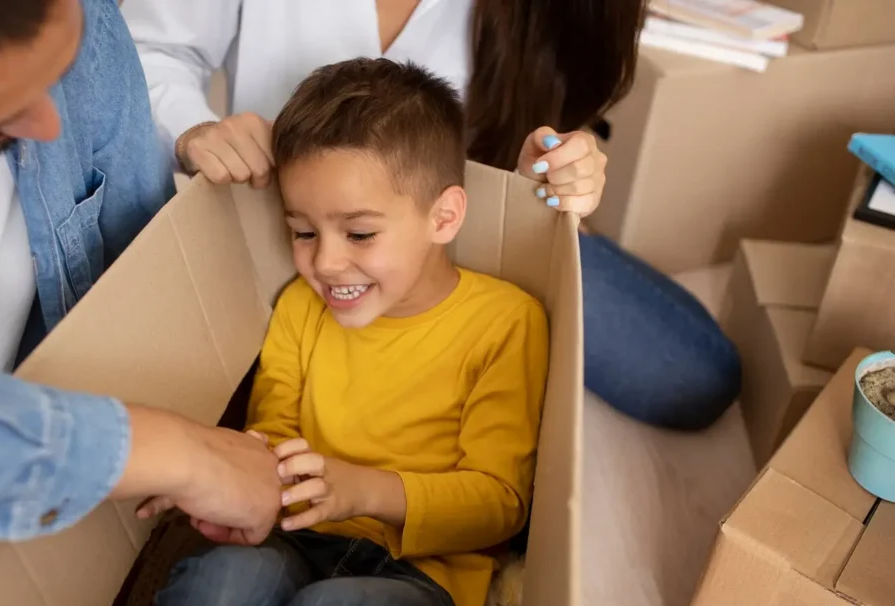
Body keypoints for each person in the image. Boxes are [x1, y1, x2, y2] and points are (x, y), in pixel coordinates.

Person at [116, 57, 546, 606]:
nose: (328, 263)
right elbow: (272, 432)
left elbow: (500, 503)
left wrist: (359, 489)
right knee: (225, 580)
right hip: (292, 538)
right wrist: (214, 461)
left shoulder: (507, 321)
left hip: (422, 578)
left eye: (361, 233)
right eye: (302, 231)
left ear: (444, 217)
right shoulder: (299, 304)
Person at [122, 0, 742, 431]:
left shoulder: (540, 23)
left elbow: (540, 130)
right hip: (281, 230)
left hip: (449, 239)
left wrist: (555, 177)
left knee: (696, 376)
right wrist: (196, 130)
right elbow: (145, 48)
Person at [0, 0, 281, 562]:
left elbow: (147, 283)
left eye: (57, 72)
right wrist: (183, 455)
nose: (50, 126)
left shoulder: (89, 25)